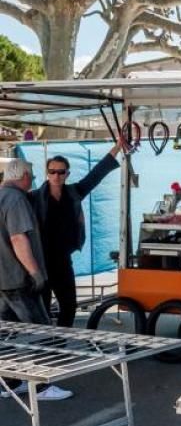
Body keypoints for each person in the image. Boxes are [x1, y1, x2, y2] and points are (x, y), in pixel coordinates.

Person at [30, 140, 124, 328]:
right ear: (47, 173)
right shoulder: (34, 197)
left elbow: (96, 175)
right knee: (42, 309)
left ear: (67, 174)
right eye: (52, 171)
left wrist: (117, 147)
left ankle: (62, 340)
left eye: (61, 172)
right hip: (41, 261)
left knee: (69, 305)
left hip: (63, 260)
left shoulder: (73, 192)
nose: (56, 176)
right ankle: (44, 342)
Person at [0, 159, 72, 400]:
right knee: (40, 330)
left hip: (2, 279)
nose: (32, 180)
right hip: (18, 279)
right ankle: (42, 386)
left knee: (7, 333)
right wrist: (35, 272)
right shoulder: (16, 199)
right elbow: (18, 239)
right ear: (23, 176)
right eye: (30, 176)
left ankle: (9, 382)